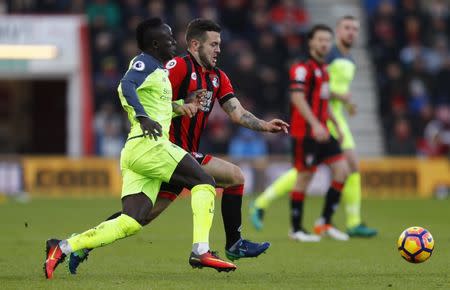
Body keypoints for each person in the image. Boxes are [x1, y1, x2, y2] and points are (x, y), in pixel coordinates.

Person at [66, 18, 289, 274]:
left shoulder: (218, 77)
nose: (218, 50)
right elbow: (152, 97)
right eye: (213, 44)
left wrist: (265, 126)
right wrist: (178, 106)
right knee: (228, 179)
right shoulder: (177, 67)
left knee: (145, 216)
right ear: (195, 44)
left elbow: (236, 113)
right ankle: (229, 245)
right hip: (166, 151)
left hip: (185, 157)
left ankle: (81, 245)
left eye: (220, 44)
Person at [43, 18, 237, 280]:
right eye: (169, 38)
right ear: (155, 43)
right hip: (151, 146)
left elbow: (157, 104)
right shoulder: (144, 61)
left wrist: (180, 106)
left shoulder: (157, 71)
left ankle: (64, 246)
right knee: (205, 182)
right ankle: (200, 251)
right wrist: (143, 118)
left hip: (137, 152)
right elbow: (125, 86)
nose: (173, 41)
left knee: (131, 221)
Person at [250, 16, 378, 238]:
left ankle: (327, 221)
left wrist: (336, 122)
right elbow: (298, 97)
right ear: (313, 41)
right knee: (305, 174)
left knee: (343, 169)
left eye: (355, 29)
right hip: (310, 128)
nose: (351, 32)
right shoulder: (308, 65)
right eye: (347, 28)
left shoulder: (330, 68)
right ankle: (289, 220)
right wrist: (320, 122)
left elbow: (325, 98)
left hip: (328, 123)